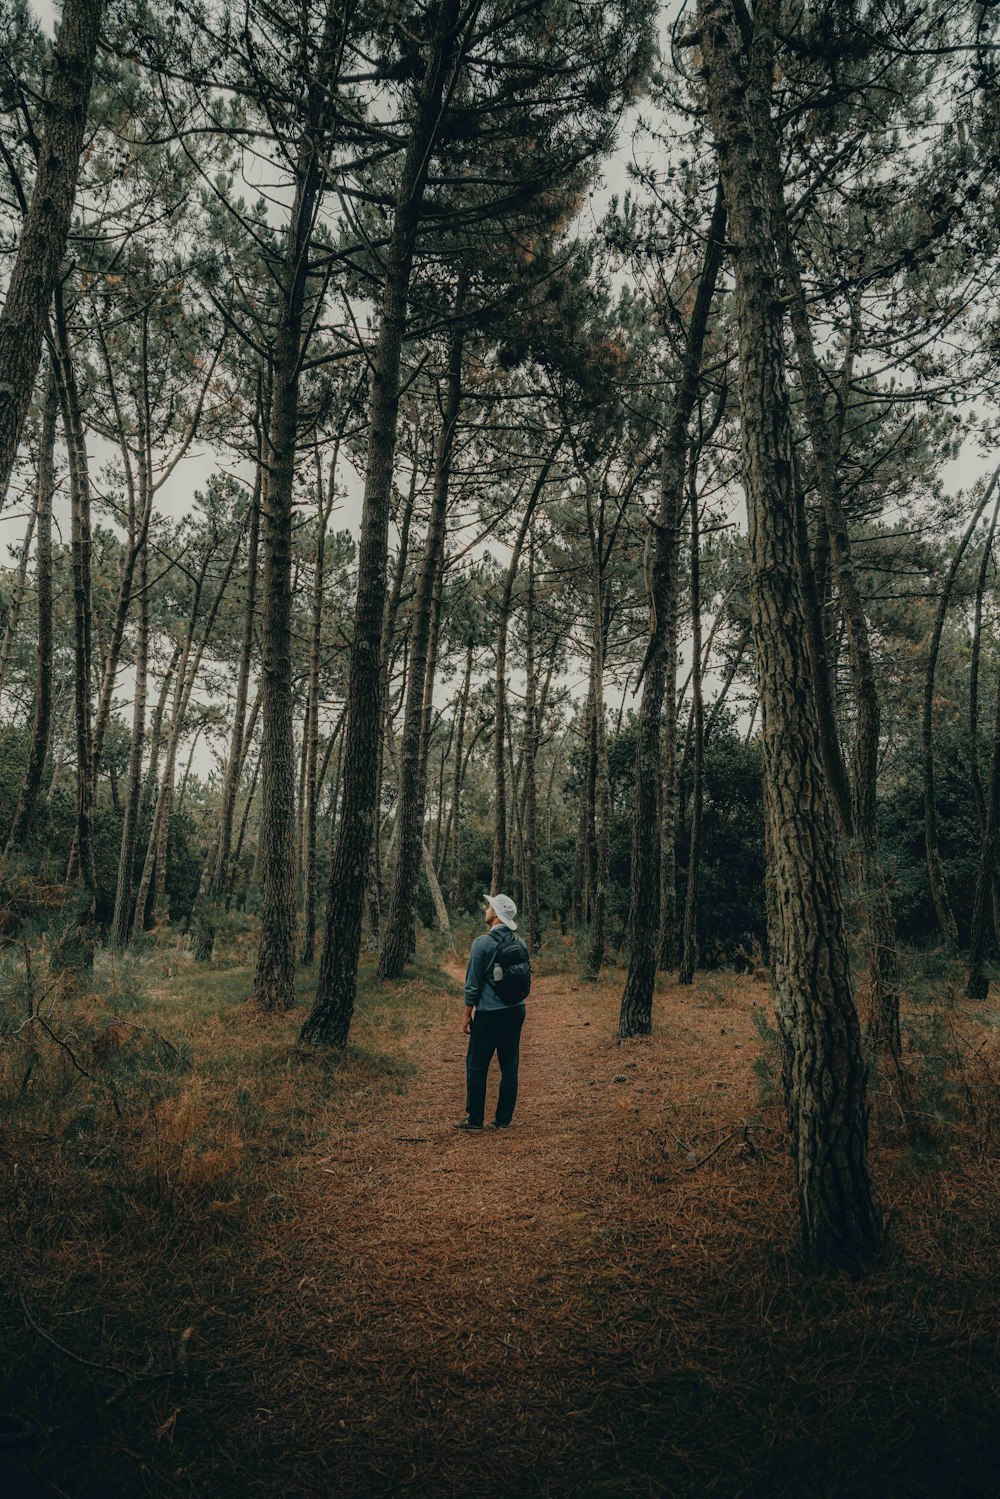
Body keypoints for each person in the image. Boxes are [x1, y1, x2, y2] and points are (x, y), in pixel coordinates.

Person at [452, 893, 528, 1131]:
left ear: (495, 914)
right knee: (509, 1066)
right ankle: (503, 1120)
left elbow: (472, 984)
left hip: (489, 1014)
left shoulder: (481, 944)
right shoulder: (521, 942)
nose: (486, 908)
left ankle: (475, 1119)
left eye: (490, 906)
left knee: (477, 1065)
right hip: (516, 1011)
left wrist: (466, 1014)